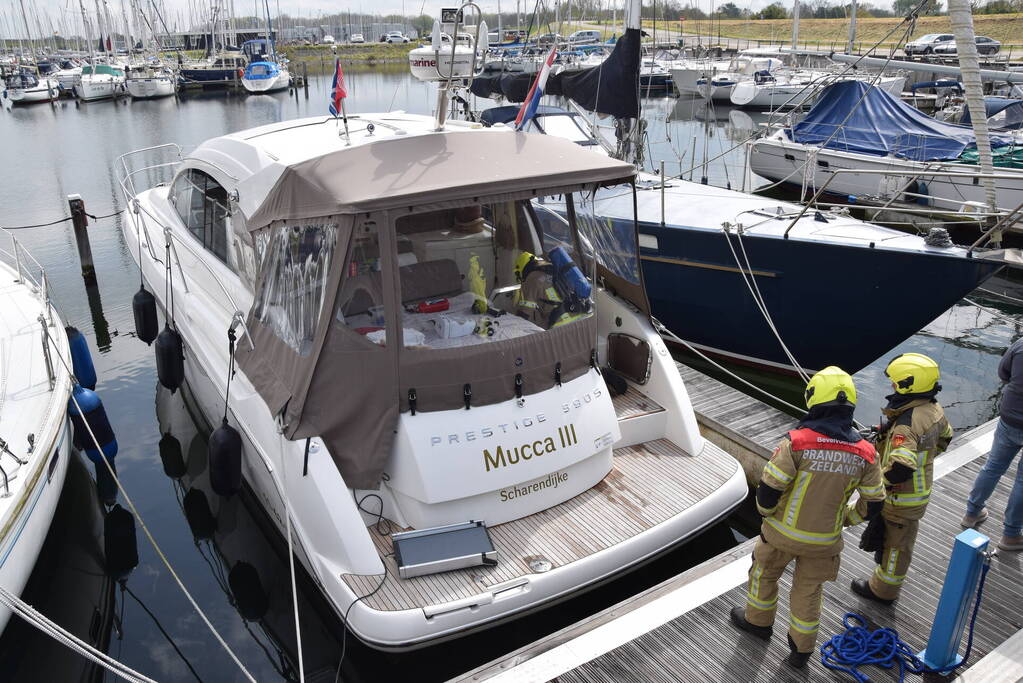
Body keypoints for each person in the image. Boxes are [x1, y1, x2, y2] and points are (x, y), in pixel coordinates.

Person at [730, 367, 885, 668]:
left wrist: (768, 516)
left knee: (764, 575)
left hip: (780, 535)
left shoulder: (796, 443)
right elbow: (875, 502)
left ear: (814, 400)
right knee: (809, 592)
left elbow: (768, 492)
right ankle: (801, 651)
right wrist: (848, 519)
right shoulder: (866, 453)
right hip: (824, 543)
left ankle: (758, 624)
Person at [848, 353, 953, 605]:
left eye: (895, 383)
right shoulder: (934, 409)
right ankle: (882, 580)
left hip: (900, 499)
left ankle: (883, 591)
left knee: (896, 548)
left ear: (908, 385)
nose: (892, 387)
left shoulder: (906, 425)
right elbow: (945, 438)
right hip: (918, 492)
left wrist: (875, 485)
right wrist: (925, 457)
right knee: (898, 541)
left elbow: (901, 468)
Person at [962, 339, 1023, 551]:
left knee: (993, 466)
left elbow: (1003, 373)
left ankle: (972, 513)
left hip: (1010, 417)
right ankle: (1011, 535)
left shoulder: (1021, 344)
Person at [513, 251, 585, 329]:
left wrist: (514, 327)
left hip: (561, 323)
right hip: (579, 315)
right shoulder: (552, 269)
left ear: (521, 269)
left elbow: (524, 312)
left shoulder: (531, 279)